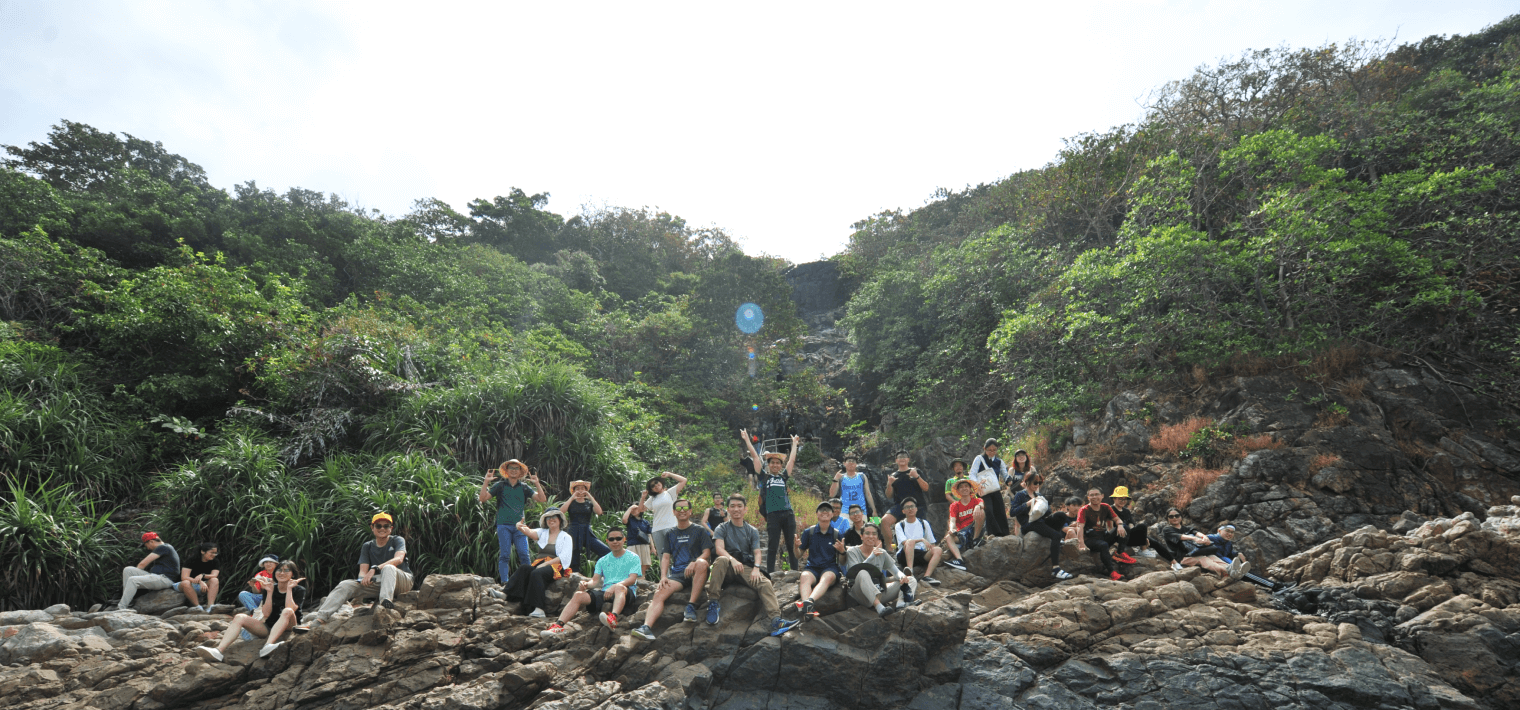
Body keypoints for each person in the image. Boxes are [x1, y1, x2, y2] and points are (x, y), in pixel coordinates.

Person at [298, 512, 414, 632]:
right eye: (379, 526)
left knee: (388, 568)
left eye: (386, 526)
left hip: (402, 581)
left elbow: (399, 559)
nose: (382, 529)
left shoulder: (397, 540)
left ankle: (384, 605)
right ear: (372, 527)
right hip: (380, 583)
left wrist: (375, 568)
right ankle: (319, 620)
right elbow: (362, 572)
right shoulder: (367, 546)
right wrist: (361, 582)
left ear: (391, 528)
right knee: (346, 584)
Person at [630, 498, 712, 641]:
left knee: (701, 563)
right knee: (659, 593)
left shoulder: (699, 530)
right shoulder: (670, 533)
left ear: (691, 511)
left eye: (685, 508)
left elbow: (707, 553)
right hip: (679, 574)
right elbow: (666, 557)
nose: (682, 511)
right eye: (678, 509)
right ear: (673, 512)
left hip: (697, 570)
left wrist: (694, 561)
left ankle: (691, 606)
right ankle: (646, 627)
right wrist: (663, 576)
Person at [705, 494, 788, 631]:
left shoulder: (752, 531)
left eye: (739, 506)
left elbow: (757, 552)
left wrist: (756, 568)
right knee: (722, 559)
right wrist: (732, 559)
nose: (736, 509)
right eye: (732, 506)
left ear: (745, 509)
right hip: (726, 568)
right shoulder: (722, 527)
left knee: (765, 583)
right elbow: (719, 549)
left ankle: (776, 620)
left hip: (743, 568)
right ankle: (713, 602)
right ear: (728, 510)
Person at [196, 561, 305, 661]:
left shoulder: (299, 589)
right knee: (240, 617)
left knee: (287, 610)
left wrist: (289, 589)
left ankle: (268, 646)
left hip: (290, 625)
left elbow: (291, 608)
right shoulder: (270, 587)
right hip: (269, 627)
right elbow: (266, 613)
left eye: (287, 570)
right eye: (279, 570)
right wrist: (270, 592)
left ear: (293, 574)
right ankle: (218, 651)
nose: (282, 573)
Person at [542, 527, 642, 636]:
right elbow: (595, 581)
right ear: (607, 541)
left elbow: (632, 579)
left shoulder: (633, 557)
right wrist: (586, 584)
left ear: (624, 539)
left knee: (619, 587)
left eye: (618, 538)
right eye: (612, 539)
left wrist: (615, 586)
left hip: (625, 592)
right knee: (578, 595)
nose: (615, 541)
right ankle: (558, 626)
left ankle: (613, 618)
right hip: (606, 593)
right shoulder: (602, 560)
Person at [479, 460, 548, 584]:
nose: (514, 470)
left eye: (516, 468)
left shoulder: (524, 487)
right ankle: (504, 582)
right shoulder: (499, 485)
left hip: (520, 526)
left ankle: (527, 581)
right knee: (505, 555)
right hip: (503, 525)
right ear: (506, 470)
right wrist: (486, 481)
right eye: (511, 467)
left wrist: (537, 483)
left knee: (524, 554)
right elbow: (482, 499)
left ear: (520, 472)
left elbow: (542, 499)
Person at [500, 508, 575, 617]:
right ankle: (506, 594)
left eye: (554, 517)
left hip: (557, 566)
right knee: (524, 568)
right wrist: (520, 527)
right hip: (540, 563)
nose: (551, 519)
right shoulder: (543, 532)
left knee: (537, 573)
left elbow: (564, 557)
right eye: (548, 518)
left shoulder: (566, 537)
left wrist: (545, 564)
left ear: (560, 520)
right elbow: (530, 532)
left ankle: (539, 609)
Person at [742, 430, 799, 573]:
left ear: (781, 465)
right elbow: (755, 456)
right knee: (772, 544)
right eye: (772, 463)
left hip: (788, 514)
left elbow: (791, 461)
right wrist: (747, 440)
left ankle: (795, 571)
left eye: (778, 463)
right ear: (768, 465)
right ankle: (771, 573)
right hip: (773, 515)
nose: (775, 465)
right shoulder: (764, 477)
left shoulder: (783, 477)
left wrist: (795, 444)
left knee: (791, 544)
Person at [1009, 474, 1074, 580]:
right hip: (1029, 523)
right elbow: (1012, 512)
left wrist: (1043, 504)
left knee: (1061, 515)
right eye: (1035, 482)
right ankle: (1056, 569)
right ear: (1027, 482)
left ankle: (1054, 540)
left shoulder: (1038, 495)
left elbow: (1048, 512)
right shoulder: (1020, 495)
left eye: (1039, 483)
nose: (1037, 485)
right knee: (1056, 536)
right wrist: (1028, 504)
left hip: (1041, 521)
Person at [845, 523, 918, 617]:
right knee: (863, 572)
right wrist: (871, 557)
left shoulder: (882, 552)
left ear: (877, 537)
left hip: (879, 592)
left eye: (874, 534)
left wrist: (902, 576)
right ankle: (879, 608)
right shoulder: (852, 551)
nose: (871, 536)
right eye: (867, 533)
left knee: (911, 579)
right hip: (860, 595)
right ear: (861, 536)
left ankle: (901, 604)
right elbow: (855, 572)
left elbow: (895, 571)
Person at [793, 502, 846, 618]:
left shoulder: (837, 534)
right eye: (822, 510)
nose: (825, 512)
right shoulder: (809, 532)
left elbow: (842, 561)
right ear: (817, 514)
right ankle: (808, 610)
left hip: (830, 568)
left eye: (828, 510)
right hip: (812, 567)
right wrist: (795, 547)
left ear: (833, 514)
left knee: (827, 577)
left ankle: (808, 602)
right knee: (804, 577)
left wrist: (842, 551)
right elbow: (798, 555)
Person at [117, 532, 180, 611]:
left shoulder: (163, 547)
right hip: (157, 576)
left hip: (165, 579)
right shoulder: (165, 547)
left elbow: (142, 564)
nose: (147, 548)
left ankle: (122, 608)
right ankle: (128, 599)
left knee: (133, 580)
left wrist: (139, 580)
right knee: (128, 570)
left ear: (151, 541)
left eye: (146, 545)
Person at [641, 471, 689, 571]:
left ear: (661, 483)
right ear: (651, 489)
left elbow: (684, 480)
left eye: (657, 482)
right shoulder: (652, 499)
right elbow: (640, 510)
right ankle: (665, 579)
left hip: (671, 526)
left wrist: (670, 474)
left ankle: (679, 575)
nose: (656, 485)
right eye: (652, 485)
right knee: (662, 555)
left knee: (676, 552)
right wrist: (643, 498)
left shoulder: (670, 492)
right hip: (657, 529)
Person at [881, 451, 928, 549]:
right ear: (896, 460)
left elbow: (926, 488)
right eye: (899, 457)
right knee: (885, 521)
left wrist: (916, 476)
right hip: (900, 505)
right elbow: (889, 495)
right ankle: (890, 549)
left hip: (917, 505)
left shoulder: (916, 471)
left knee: (919, 528)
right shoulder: (893, 475)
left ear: (908, 459)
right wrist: (889, 484)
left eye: (904, 457)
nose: (902, 458)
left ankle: (922, 548)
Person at [892, 498, 946, 585]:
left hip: (920, 554)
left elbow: (931, 543)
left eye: (912, 506)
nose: (910, 509)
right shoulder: (900, 525)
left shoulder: (923, 523)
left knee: (938, 549)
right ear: (903, 511)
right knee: (910, 542)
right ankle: (910, 573)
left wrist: (932, 552)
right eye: (907, 507)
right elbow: (904, 542)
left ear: (916, 509)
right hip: (904, 554)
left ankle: (926, 577)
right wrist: (921, 539)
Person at [1076, 489, 1125, 581]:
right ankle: (1112, 572)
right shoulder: (1084, 510)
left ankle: (1120, 553)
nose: (1094, 497)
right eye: (1092, 495)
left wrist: (1120, 525)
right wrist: (1081, 544)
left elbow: (1117, 519)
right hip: (1090, 539)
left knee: (1125, 527)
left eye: (1097, 494)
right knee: (1103, 545)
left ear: (1102, 496)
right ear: (1088, 497)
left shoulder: (1105, 507)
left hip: (1103, 536)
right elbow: (1080, 527)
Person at [562, 480, 610, 572]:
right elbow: (561, 512)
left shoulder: (589, 503)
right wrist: (572, 498)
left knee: (605, 551)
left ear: (586, 490)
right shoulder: (571, 502)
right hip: (573, 530)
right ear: (573, 490)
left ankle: (604, 572)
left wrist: (590, 497)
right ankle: (574, 576)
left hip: (587, 530)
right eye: (577, 489)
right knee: (574, 555)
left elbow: (599, 512)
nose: (580, 491)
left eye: (582, 489)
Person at [967, 439, 1010, 538]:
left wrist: (1009, 480)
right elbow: (972, 474)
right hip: (982, 490)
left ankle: (1004, 534)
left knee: (1000, 511)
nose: (992, 452)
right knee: (988, 510)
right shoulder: (979, 459)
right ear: (984, 448)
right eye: (989, 450)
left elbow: (1005, 474)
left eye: (994, 450)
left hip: (995, 489)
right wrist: (977, 485)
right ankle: (993, 533)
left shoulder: (999, 461)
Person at [237, 555, 280, 641]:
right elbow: (256, 592)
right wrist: (253, 586)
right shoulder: (260, 574)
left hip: (276, 598)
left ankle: (256, 617)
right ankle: (255, 612)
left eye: (270, 562)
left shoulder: (280, 572)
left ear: (276, 563)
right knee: (243, 594)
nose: (268, 564)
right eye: (266, 562)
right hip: (262, 598)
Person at [1109, 487, 1155, 559]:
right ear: (1114, 498)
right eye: (1120, 498)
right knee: (1124, 526)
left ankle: (1143, 550)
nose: (1123, 501)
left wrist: (1142, 537)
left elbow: (1131, 524)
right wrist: (1114, 543)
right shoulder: (1110, 509)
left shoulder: (1126, 511)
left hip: (1127, 536)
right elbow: (1109, 527)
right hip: (1117, 537)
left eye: (1124, 499)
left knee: (1142, 526)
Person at [944, 480, 981, 569]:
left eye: (966, 486)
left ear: (970, 489)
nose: (964, 488)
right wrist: (952, 529)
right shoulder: (954, 505)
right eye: (961, 487)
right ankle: (960, 560)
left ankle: (976, 540)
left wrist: (978, 506)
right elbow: (952, 520)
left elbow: (981, 505)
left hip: (975, 528)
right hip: (963, 533)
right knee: (948, 537)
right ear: (958, 491)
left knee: (981, 511)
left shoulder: (977, 500)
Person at [176, 542, 221, 612]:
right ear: (203, 551)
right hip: (185, 584)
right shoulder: (191, 560)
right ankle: (197, 606)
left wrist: (202, 575)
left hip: (202, 585)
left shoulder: (215, 561)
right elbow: (184, 577)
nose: (214, 555)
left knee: (214, 580)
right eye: (212, 552)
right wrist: (200, 581)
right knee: (186, 582)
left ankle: (210, 606)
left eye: (215, 553)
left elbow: (214, 575)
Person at [830, 454, 876, 518]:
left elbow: (868, 494)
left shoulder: (862, 476)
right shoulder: (840, 477)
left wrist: (874, 510)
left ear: (856, 464)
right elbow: (832, 495)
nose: (851, 463)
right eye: (849, 461)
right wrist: (835, 479)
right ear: (844, 463)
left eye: (853, 461)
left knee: (864, 527)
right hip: (845, 511)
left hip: (861, 511)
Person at [621, 501, 654, 578]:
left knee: (643, 566)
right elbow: (624, 520)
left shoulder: (646, 522)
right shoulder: (630, 521)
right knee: (631, 565)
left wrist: (652, 547)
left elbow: (649, 535)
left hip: (644, 545)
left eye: (636, 509)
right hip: (632, 545)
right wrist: (630, 508)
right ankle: (632, 581)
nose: (634, 511)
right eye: (633, 509)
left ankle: (642, 582)